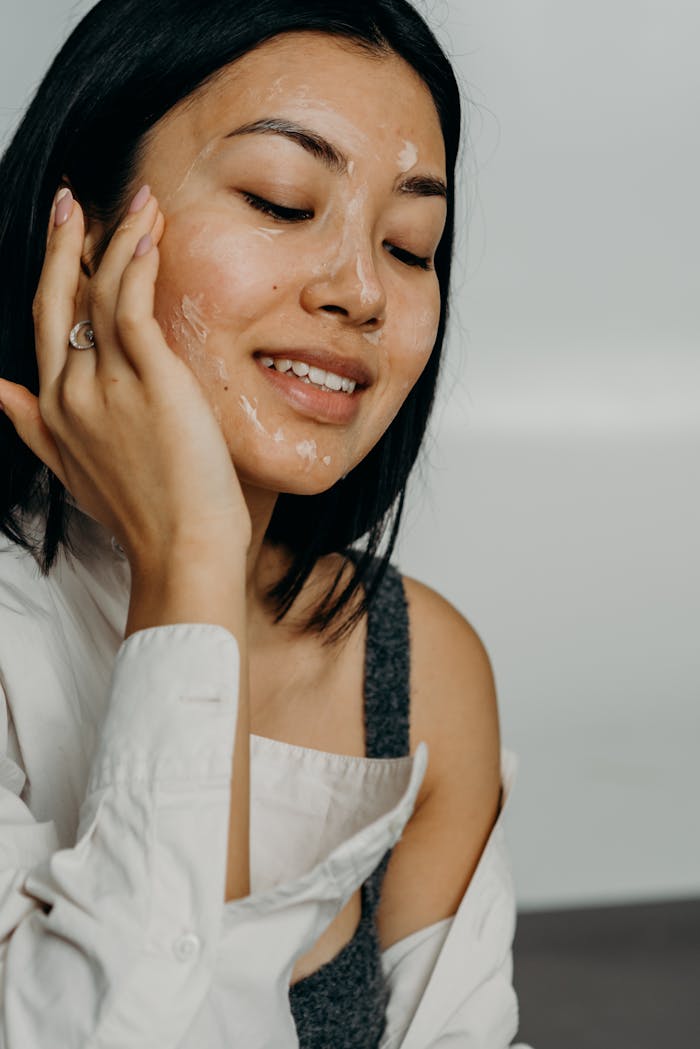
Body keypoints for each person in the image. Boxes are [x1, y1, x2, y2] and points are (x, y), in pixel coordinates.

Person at [0, 1, 530, 1045]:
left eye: (410, 242)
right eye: (283, 201)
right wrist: (193, 558)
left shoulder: (410, 662)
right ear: (84, 231)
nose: (361, 289)